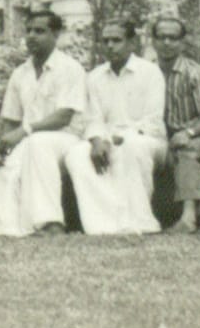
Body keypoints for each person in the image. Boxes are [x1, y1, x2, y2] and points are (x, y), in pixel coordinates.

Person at [0, 10, 86, 237]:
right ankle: (7, 228)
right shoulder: (20, 73)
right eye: (29, 30)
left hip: (68, 140)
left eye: (39, 31)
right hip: (29, 140)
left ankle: (50, 224)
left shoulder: (70, 68)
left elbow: (63, 116)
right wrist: (2, 144)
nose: (31, 36)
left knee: (38, 144)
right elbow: (11, 120)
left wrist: (24, 132)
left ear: (56, 34)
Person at [63, 20, 168, 235]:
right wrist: (97, 140)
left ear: (132, 43)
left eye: (117, 40)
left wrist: (120, 136)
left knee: (131, 147)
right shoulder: (94, 77)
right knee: (76, 154)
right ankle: (102, 224)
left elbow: (153, 119)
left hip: (148, 140)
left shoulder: (150, 72)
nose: (110, 45)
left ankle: (141, 222)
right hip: (107, 139)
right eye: (106, 41)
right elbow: (93, 118)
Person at [151, 16, 200, 234]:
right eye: (161, 37)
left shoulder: (194, 72)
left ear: (182, 42)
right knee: (179, 153)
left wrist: (188, 132)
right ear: (153, 41)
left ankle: (188, 216)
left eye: (173, 38)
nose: (166, 42)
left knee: (186, 149)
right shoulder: (148, 72)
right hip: (168, 139)